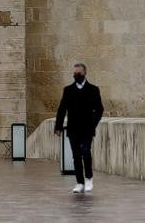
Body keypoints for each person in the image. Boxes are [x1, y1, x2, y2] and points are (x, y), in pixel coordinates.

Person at [54, 62, 104, 194]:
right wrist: (58, 127)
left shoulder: (93, 90)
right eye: (75, 73)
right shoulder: (68, 90)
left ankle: (88, 178)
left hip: (87, 129)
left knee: (86, 152)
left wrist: (92, 124)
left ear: (84, 73)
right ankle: (79, 182)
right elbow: (62, 109)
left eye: (79, 73)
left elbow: (99, 109)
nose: (76, 75)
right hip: (73, 129)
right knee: (76, 156)